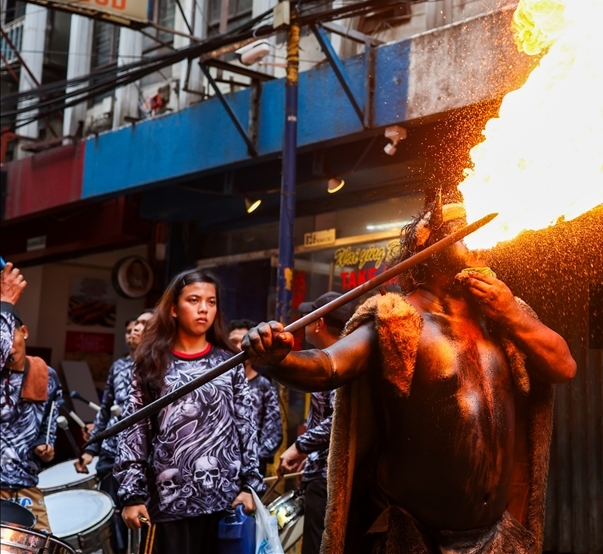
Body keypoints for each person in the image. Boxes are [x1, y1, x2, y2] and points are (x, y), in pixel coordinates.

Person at [243, 194, 576, 553]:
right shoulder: (398, 322)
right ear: (427, 239)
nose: (481, 236)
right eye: (464, 228)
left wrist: (512, 314)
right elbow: (328, 366)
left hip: (497, 539)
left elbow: (563, 366)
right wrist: (278, 358)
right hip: (415, 540)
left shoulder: (504, 317)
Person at [116, 269, 262, 554]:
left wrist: (250, 486)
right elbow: (134, 431)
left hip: (225, 504)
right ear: (173, 308)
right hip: (168, 504)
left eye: (211, 301)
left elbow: (246, 425)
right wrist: (132, 495)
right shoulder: (151, 362)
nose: (203, 309)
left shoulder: (230, 361)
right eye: (194, 300)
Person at [273, 292, 356, 554]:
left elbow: (338, 419)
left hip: (327, 480)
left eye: (308, 317)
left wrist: (300, 446)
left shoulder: (339, 362)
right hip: (326, 473)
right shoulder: (344, 355)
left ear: (318, 323)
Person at [77, 312, 150, 552]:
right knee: (114, 518)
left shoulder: (162, 365)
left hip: (146, 458)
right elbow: (104, 409)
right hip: (112, 455)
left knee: (145, 523)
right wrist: (90, 450)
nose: (135, 331)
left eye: (143, 325)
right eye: (133, 326)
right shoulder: (118, 366)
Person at [0, 263, 61, 532]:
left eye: (9, 333)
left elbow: (49, 418)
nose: (7, 343)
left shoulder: (44, 373)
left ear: (23, 332)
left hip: (26, 482)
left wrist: (45, 445)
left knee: (43, 543)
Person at [227, 319, 283, 476]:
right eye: (233, 342)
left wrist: (252, 460)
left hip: (252, 471)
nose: (238, 347)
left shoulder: (264, 386)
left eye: (243, 341)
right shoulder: (216, 385)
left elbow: (274, 432)